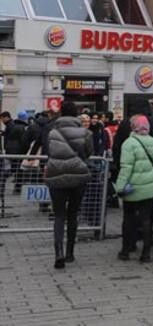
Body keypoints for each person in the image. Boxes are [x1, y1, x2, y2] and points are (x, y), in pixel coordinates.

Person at [45, 101, 92, 269]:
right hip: (77, 176)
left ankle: (58, 253)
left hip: (56, 174)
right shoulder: (85, 132)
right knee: (73, 214)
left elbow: (48, 152)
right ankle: (70, 252)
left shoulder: (52, 132)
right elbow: (88, 153)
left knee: (58, 216)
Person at [115, 115, 153, 263]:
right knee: (147, 219)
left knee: (128, 219)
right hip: (150, 188)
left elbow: (126, 168)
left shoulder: (129, 143)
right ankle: (146, 253)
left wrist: (120, 187)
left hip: (133, 188)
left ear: (133, 127)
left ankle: (126, 250)